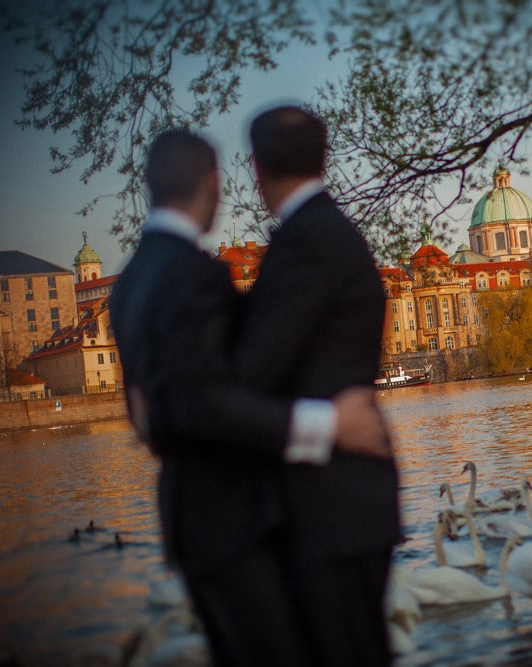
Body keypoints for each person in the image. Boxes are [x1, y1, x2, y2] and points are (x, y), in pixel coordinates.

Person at [109, 129, 391, 666]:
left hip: (190, 518)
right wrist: (329, 424)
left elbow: (150, 412)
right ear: (214, 182)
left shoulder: (130, 282)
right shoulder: (194, 275)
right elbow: (205, 401)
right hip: (230, 517)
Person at [234, 105, 402, 665]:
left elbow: (253, 373)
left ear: (255, 169)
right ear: (325, 158)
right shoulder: (333, 235)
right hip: (349, 499)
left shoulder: (304, 244)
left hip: (331, 506)